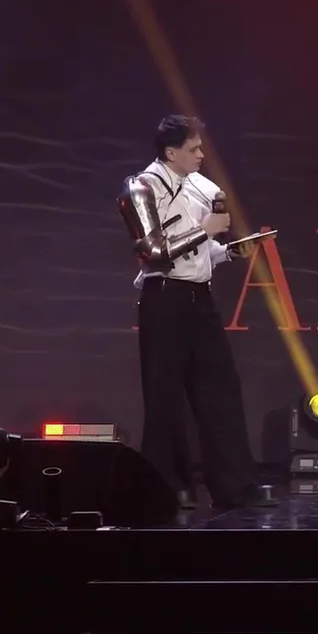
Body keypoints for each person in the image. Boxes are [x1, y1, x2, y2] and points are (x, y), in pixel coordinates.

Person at [118, 114, 275, 510]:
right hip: (164, 298)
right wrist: (205, 229)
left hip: (199, 299)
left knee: (221, 391)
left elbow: (201, 253)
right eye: (193, 149)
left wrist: (229, 250)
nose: (201, 154)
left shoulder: (202, 187)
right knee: (164, 398)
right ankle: (168, 488)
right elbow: (151, 254)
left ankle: (236, 487)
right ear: (171, 153)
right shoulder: (142, 187)